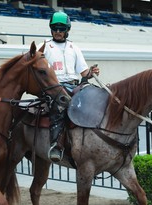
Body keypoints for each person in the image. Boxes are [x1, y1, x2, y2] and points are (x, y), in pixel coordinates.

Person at [43, 11, 100, 162]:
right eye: (55, 28)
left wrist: (91, 72)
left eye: (61, 29)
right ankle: (55, 145)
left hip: (75, 85)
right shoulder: (45, 47)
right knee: (60, 105)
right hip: (54, 86)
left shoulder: (74, 47)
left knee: (95, 96)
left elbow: (83, 71)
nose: (58, 32)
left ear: (67, 30)